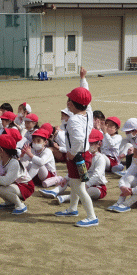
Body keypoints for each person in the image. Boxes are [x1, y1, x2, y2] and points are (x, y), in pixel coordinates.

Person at [53, 68, 99, 227]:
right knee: (75, 183)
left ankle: (92, 217)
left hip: (78, 156)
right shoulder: (89, 112)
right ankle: (72, 208)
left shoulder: (73, 120)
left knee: (78, 187)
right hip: (84, 155)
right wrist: (83, 78)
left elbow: (78, 140)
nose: (68, 103)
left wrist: (72, 153)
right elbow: (86, 94)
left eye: (69, 101)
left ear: (71, 104)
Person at [42, 129, 108, 204]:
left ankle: (66, 198)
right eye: (87, 143)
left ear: (99, 144)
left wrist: (87, 185)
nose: (89, 145)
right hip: (82, 181)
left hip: (97, 186)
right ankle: (54, 191)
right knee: (69, 179)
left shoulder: (100, 158)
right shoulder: (83, 154)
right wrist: (66, 178)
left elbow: (97, 175)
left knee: (92, 191)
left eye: (92, 143)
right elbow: (75, 170)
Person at [0, 133, 35, 214]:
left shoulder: (14, 163)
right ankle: (9, 203)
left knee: (3, 189)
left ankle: (21, 206)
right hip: (14, 184)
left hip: (26, 186)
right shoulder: (0, 162)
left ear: (1, 150)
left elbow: (6, 181)